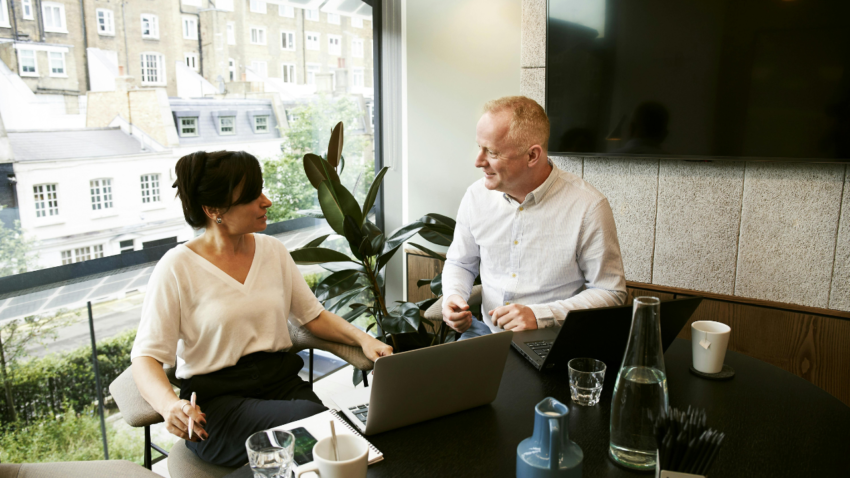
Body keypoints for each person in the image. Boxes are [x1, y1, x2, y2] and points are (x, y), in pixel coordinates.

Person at [130, 151, 392, 467]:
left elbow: (313, 317)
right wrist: (169, 404)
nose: (266, 201)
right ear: (214, 210)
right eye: (253, 196)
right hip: (220, 407)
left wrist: (364, 339)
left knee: (343, 448)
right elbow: (146, 357)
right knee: (320, 431)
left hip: (283, 387)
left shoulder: (273, 251)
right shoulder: (176, 267)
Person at [441, 96, 627, 339]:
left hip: (553, 339)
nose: (478, 161)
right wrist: (454, 295)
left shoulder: (588, 206)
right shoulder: (475, 196)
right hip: (484, 334)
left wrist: (541, 315)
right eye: (479, 147)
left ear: (532, 156)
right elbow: (460, 262)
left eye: (492, 152)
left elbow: (610, 291)